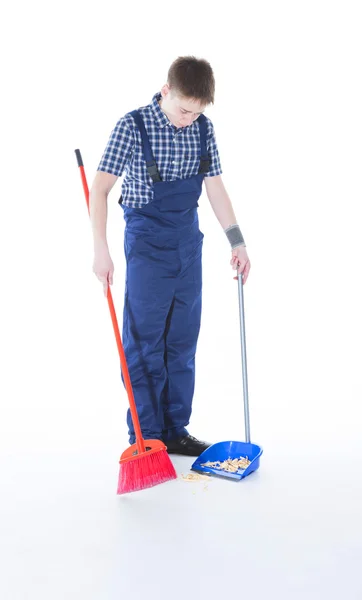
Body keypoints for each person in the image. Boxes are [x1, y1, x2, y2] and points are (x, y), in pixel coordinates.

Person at [89, 56, 251, 456]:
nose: (187, 120)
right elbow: (100, 189)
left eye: (196, 113)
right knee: (144, 343)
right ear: (166, 90)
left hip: (187, 246)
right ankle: (146, 437)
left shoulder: (203, 129)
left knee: (181, 342)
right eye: (183, 110)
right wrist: (101, 249)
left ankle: (176, 429)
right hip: (146, 246)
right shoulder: (133, 126)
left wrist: (237, 241)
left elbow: (214, 188)